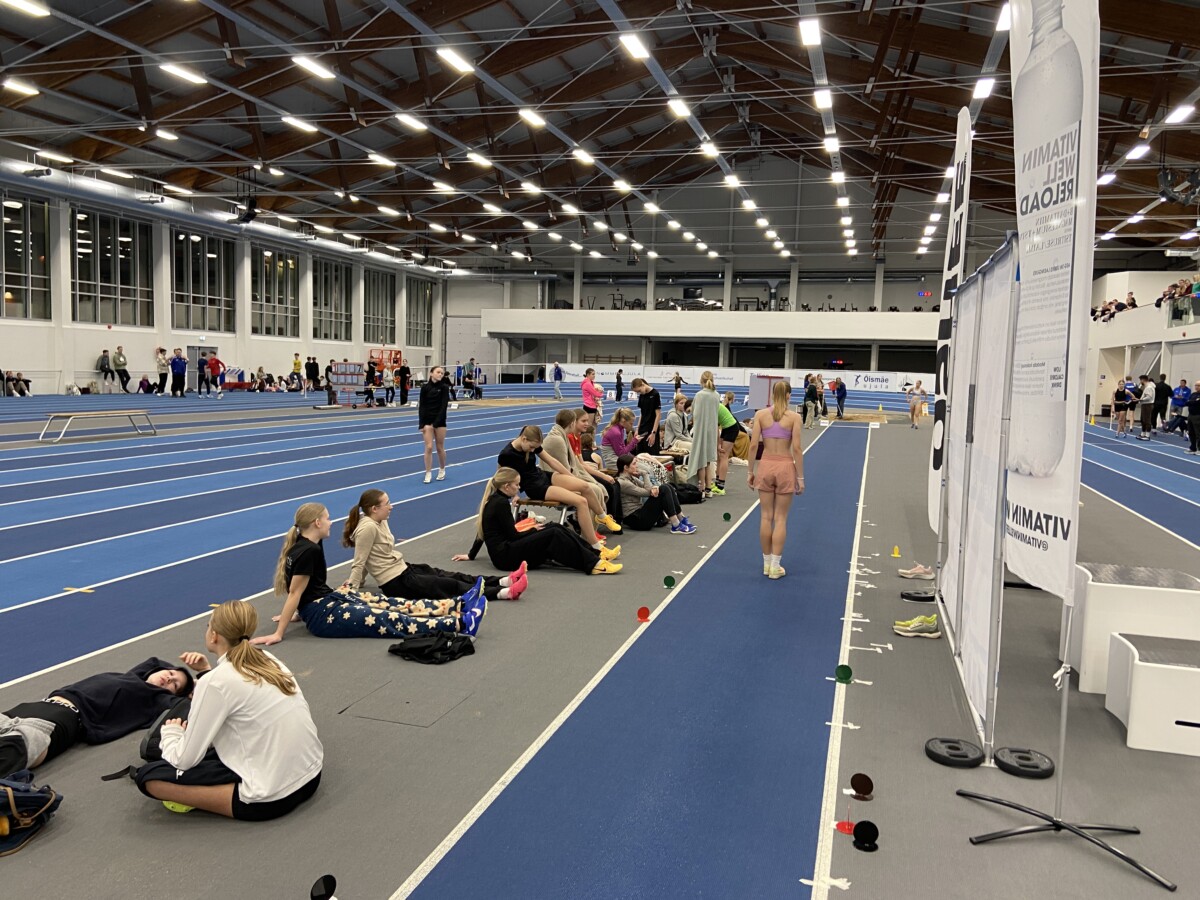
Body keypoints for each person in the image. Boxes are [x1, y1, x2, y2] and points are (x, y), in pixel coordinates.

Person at [135, 601, 322, 821]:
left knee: (149, 776)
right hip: (311, 776)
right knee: (214, 749)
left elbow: (184, 760)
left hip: (271, 800)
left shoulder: (215, 682)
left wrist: (171, 733)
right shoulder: (267, 658)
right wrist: (205, 671)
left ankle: (209, 797)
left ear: (214, 635)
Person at [254, 503, 487, 645]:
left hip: (324, 602)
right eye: (327, 518)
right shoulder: (308, 551)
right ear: (316, 523)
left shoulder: (308, 544)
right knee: (386, 618)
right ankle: (459, 623)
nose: (331, 522)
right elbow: (295, 592)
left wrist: (299, 612)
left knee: (388, 602)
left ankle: (457, 604)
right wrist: (279, 632)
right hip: (322, 615)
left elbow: (304, 589)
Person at [1, 659, 194, 778]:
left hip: (59, 718)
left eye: (175, 684)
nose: (169, 678)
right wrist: (181, 675)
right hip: (30, 707)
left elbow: (186, 706)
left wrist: (199, 679)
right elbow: (153, 662)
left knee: (15, 748)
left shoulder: (153, 699)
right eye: (170, 673)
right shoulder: (131, 676)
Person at [344, 489, 527, 601]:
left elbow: (369, 555)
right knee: (449, 586)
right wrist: (352, 587)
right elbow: (360, 560)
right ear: (374, 509)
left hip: (404, 569)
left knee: (450, 575)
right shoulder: (367, 528)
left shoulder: (381, 519)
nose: (391, 506)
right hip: (396, 583)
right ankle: (504, 593)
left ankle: (504, 581)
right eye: (387, 503)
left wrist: (362, 581)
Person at [456, 468, 621, 575]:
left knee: (555, 527)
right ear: (506, 486)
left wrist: (471, 555)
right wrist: (534, 530)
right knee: (553, 533)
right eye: (516, 485)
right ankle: (593, 564)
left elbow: (481, 531)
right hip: (505, 558)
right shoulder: (499, 504)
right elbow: (513, 536)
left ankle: (596, 554)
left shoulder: (494, 500)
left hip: (506, 551)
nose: (519, 488)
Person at [499, 425, 617, 549]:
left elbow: (551, 461)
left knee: (585, 486)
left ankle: (602, 517)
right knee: (581, 502)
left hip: (544, 476)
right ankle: (595, 546)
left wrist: (571, 477)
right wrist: (515, 495)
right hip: (535, 488)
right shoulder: (507, 454)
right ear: (524, 439)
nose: (533, 450)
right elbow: (503, 477)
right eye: (531, 447)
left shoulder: (532, 443)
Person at [747, 380, 805, 579]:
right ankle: (775, 566)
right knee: (780, 518)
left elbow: (753, 445)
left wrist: (750, 471)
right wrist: (800, 477)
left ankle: (766, 564)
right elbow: (797, 449)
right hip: (785, 467)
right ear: (788, 396)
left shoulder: (760, 415)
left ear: (772, 394)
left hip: (766, 466)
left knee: (765, 517)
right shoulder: (794, 417)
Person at [543, 409, 621, 528]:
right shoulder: (559, 439)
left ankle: (598, 524)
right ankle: (593, 526)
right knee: (595, 489)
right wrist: (582, 480)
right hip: (554, 480)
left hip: (563, 475)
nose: (587, 424)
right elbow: (564, 467)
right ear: (573, 423)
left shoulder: (566, 436)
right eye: (583, 421)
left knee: (600, 487)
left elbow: (575, 464)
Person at [616, 454, 695, 534]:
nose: (636, 466)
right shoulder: (623, 482)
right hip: (635, 520)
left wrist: (655, 487)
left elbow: (649, 488)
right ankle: (676, 524)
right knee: (663, 489)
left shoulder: (631, 478)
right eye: (634, 464)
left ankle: (681, 518)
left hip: (639, 513)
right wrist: (645, 474)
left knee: (667, 486)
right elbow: (647, 492)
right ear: (626, 467)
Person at [419, 365, 452, 483]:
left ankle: (442, 469)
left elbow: (444, 406)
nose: (440, 374)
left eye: (442, 373)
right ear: (431, 373)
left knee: (439, 447)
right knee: (428, 447)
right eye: (438, 372)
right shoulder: (425, 388)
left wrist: (437, 422)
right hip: (427, 420)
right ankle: (428, 472)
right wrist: (421, 424)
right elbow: (422, 406)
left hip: (440, 421)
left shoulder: (444, 388)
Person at [690, 371, 720, 497]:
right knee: (707, 460)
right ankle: (708, 488)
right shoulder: (716, 395)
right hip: (712, 430)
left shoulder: (700, 395)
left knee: (700, 460)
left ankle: (701, 487)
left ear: (701, 381)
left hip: (701, 429)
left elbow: (694, 413)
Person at [713, 388, 740, 495]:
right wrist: (718, 444)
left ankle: (721, 486)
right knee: (719, 455)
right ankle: (717, 482)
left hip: (731, 428)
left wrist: (718, 444)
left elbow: (716, 429)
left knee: (724, 455)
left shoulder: (714, 408)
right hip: (726, 427)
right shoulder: (714, 406)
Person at [630, 377, 662, 452]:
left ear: (642, 385)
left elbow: (658, 415)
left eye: (639, 391)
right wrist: (637, 429)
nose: (639, 393)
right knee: (640, 453)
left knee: (651, 453)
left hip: (651, 428)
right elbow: (642, 413)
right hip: (642, 428)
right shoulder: (642, 395)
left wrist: (653, 433)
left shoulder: (655, 394)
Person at [1136, 374, 1157, 440]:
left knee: (1147, 420)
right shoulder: (1147, 387)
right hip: (1145, 404)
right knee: (1143, 420)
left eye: (1140, 380)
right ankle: (1143, 433)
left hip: (1148, 405)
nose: (1140, 382)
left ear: (1143, 380)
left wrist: (1141, 399)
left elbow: (1149, 397)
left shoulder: (1149, 387)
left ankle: (1147, 435)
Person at [1187, 380, 1200, 455]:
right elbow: (1187, 402)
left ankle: (1199, 448)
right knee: (1191, 432)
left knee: (1198, 433)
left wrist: (1192, 402)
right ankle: (1193, 447)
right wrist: (1192, 402)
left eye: (1198, 385)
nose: (1197, 387)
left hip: (1198, 415)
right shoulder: (1193, 394)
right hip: (1190, 415)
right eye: (1196, 385)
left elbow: (1196, 403)